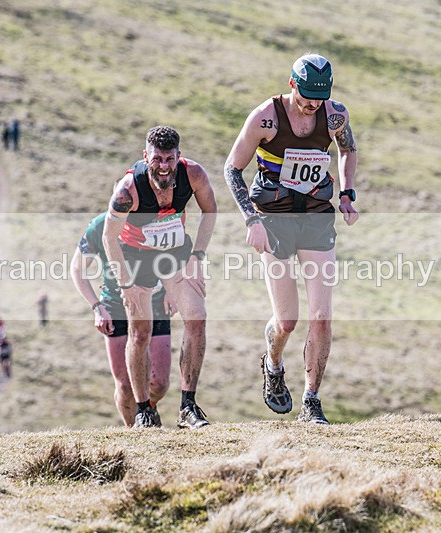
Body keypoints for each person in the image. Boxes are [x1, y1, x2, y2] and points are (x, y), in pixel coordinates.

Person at [223, 53, 359, 425]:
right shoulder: (265, 117)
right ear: (291, 84)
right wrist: (251, 218)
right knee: (287, 321)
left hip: (315, 216)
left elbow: (348, 150)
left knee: (322, 316)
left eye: (319, 96)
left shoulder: (335, 116)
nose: (311, 104)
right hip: (274, 218)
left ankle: (311, 401)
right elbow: (232, 168)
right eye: (305, 96)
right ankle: (273, 363)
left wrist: (347, 194)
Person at [102, 126, 217, 429]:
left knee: (197, 317)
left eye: (169, 159)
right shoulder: (129, 189)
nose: (163, 166)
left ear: (178, 157)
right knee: (140, 332)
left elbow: (210, 211)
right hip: (136, 257)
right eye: (157, 159)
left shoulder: (193, 175)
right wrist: (124, 282)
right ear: (146, 157)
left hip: (174, 252)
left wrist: (197, 256)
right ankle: (143, 411)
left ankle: (188, 407)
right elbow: (108, 238)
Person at [71, 212, 173, 427]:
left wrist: (172, 292)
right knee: (125, 386)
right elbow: (77, 269)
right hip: (115, 306)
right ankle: (136, 431)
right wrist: (97, 308)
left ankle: (148, 409)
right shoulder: (100, 225)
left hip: (153, 302)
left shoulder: (158, 219)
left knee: (159, 383)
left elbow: (174, 258)